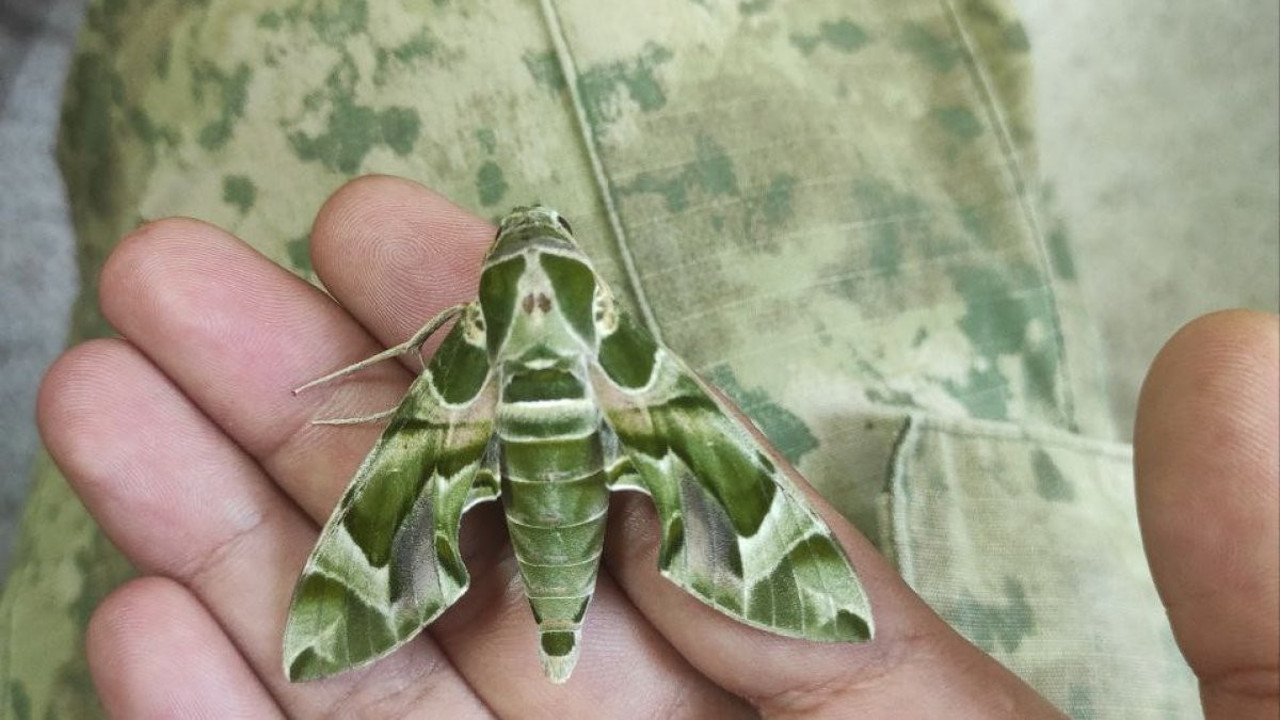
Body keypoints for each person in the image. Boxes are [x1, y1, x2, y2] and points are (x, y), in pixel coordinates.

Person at [2, 1, 1275, 717]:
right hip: (636, 462)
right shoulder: (622, 346)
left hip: (474, 477)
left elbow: (417, 348)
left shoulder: (455, 351)